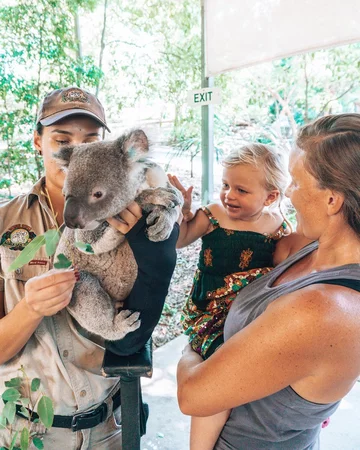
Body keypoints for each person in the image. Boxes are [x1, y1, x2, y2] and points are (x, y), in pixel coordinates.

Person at [0, 87, 179, 449]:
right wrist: (30, 308)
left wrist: (169, 208)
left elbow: (173, 239)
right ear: (39, 141)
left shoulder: (128, 206)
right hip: (27, 431)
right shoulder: (5, 222)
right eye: (63, 138)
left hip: (110, 423)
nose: (79, 148)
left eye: (92, 138)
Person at [177, 113, 360, 450]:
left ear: (332, 200)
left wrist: (191, 349)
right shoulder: (309, 249)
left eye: (295, 182)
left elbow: (193, 395)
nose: (288, 194)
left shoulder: (323, 310)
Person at [169, 143, 291, 450]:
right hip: (209, 307)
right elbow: (180, 241)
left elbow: (280, 275)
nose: (229, 195)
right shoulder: (214, 214)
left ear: (271, 196)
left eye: (241, 190)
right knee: (215, 371)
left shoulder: (276, 228)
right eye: (225, 185)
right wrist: (182, 213)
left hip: (247, 313)